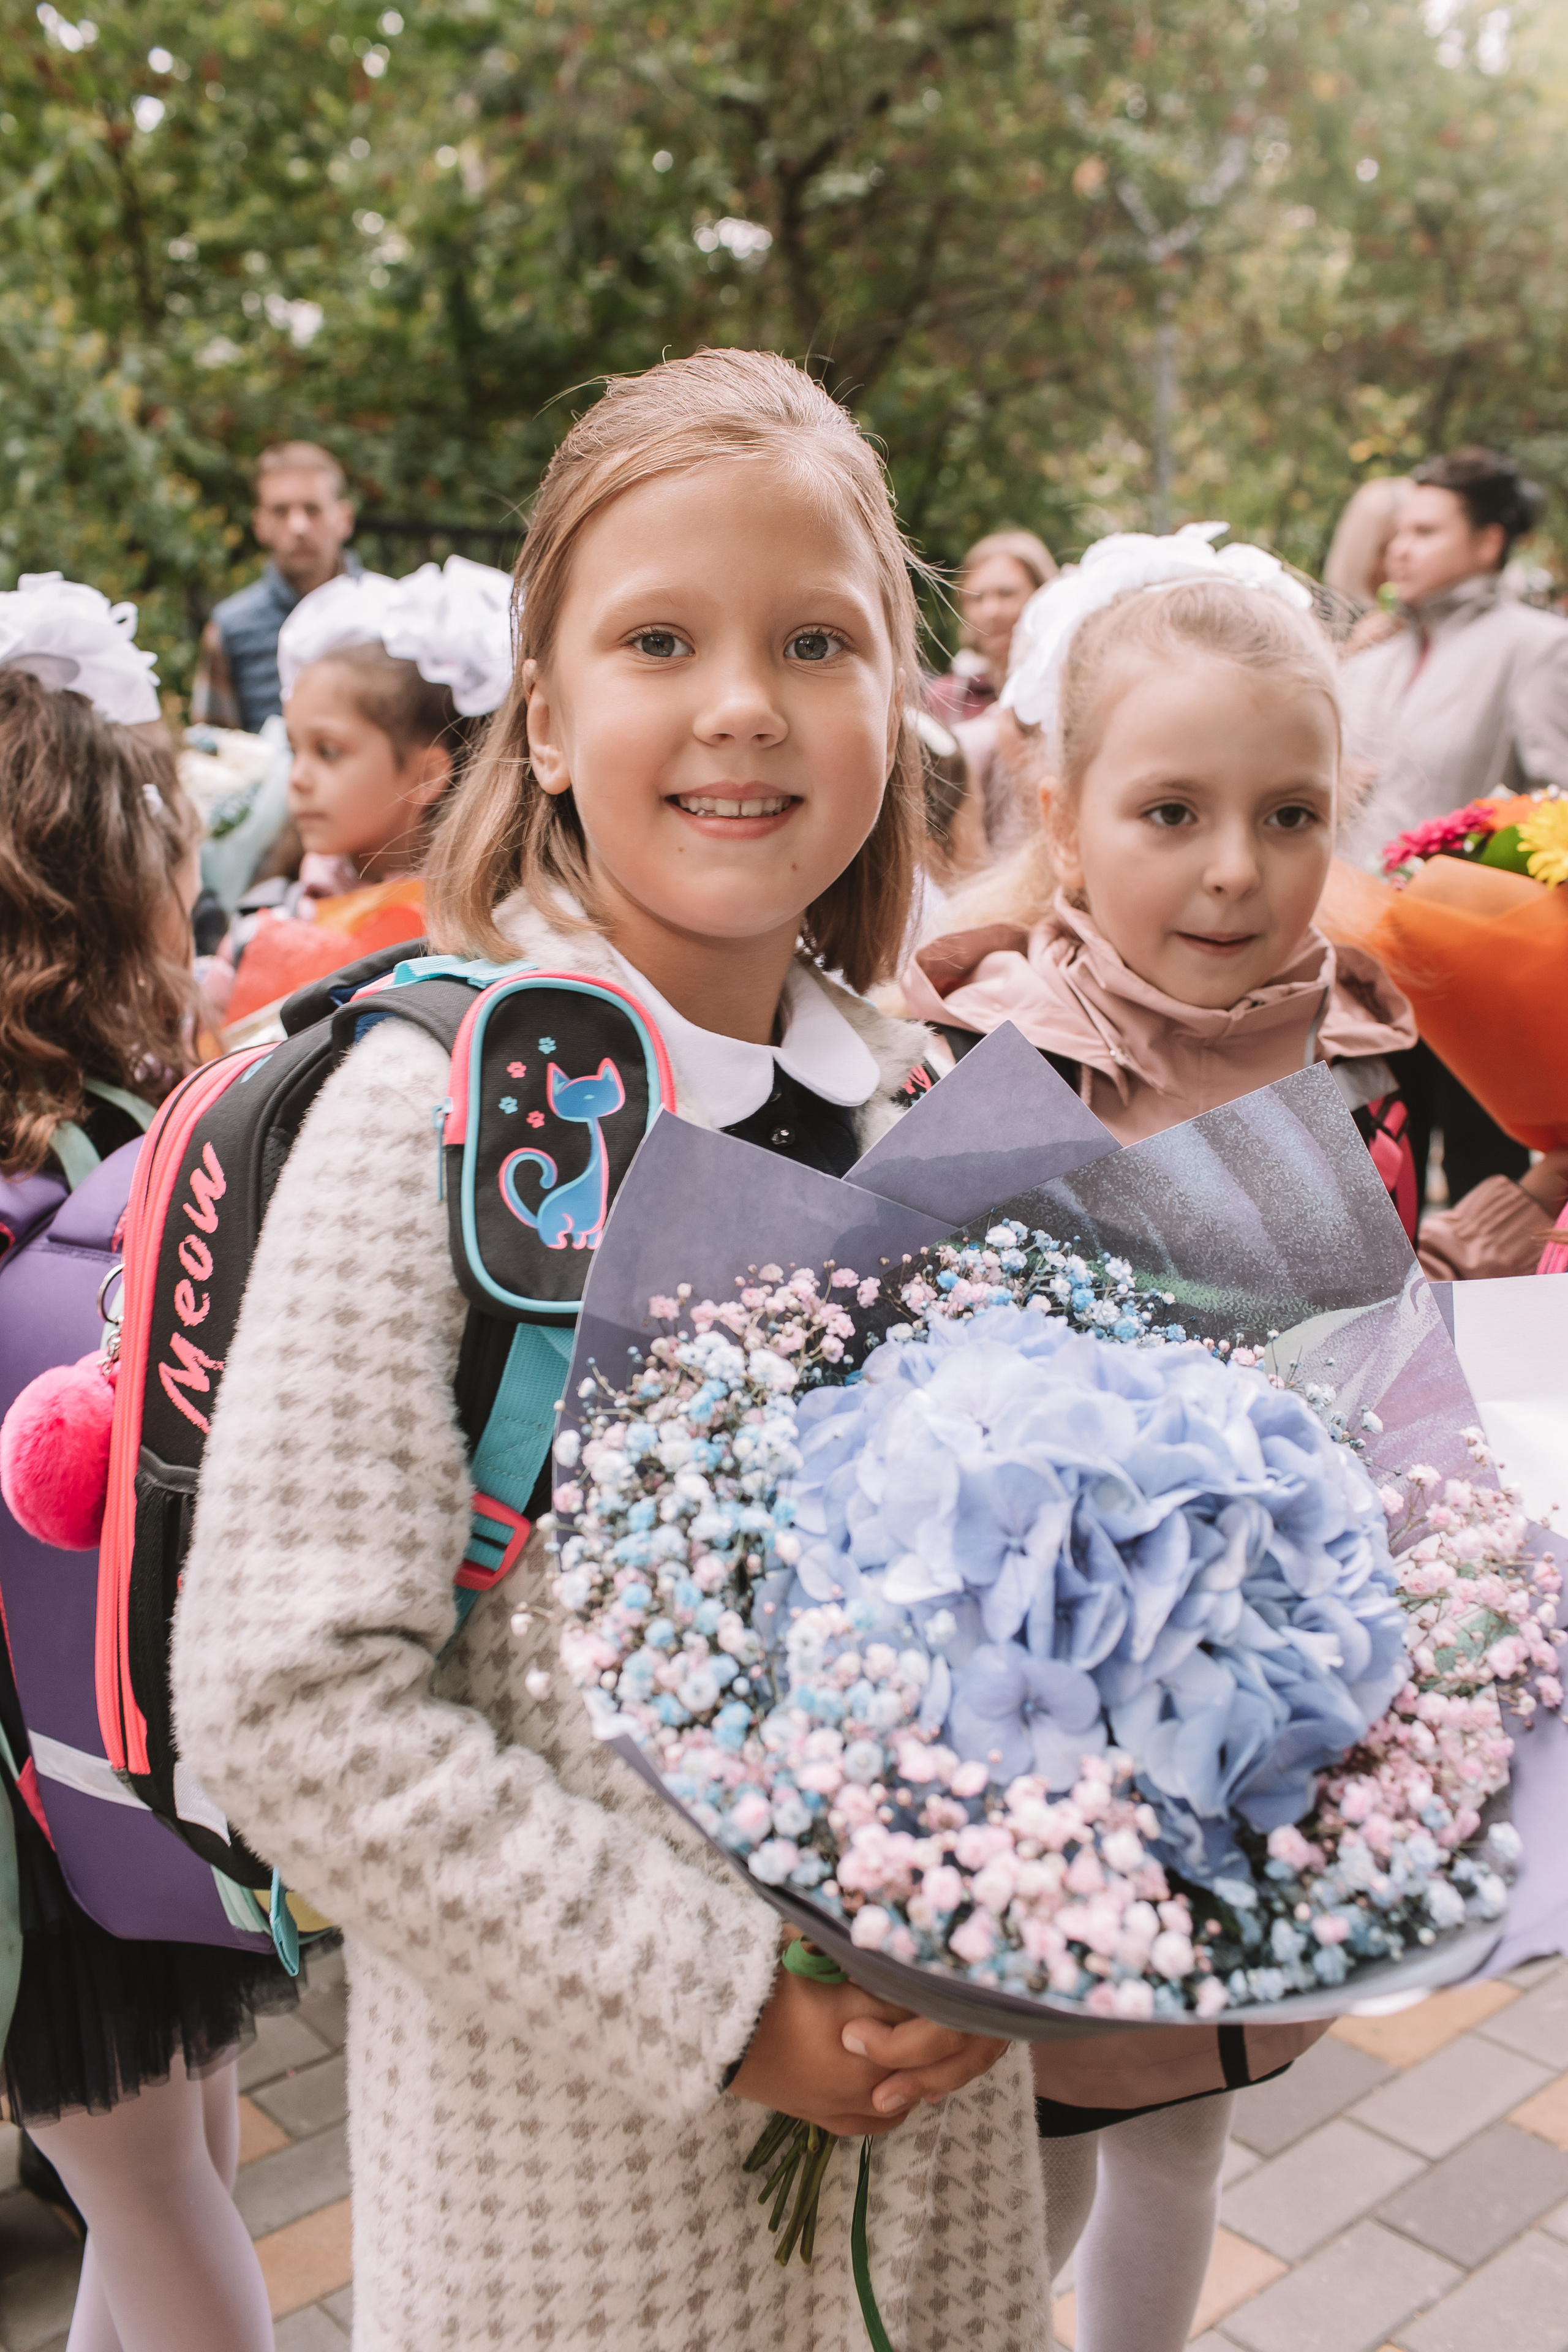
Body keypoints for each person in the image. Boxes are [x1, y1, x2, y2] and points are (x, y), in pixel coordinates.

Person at [170, 350, 1050, 2352]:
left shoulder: (928, 1108)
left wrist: (1051, 1912)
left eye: (818, 639)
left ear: (895, 707)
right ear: (551, 719)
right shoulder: (441, 1120)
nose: (743, 700)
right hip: (582, 2245)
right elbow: (289, 1698)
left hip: (950, 2239)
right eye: (663, 638)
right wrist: (735, 2009)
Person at [901, 526, 1418, 2349]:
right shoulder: (990, 1068)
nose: (1232, 870)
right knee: (1025, 2150)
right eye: (1170, 810)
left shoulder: (1347, 1047)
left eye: (1288, 816)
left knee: (1183, 2126)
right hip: (1038, 1737)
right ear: (1062, 811)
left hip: (1244, 1714)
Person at [0, 580, 305, 2352]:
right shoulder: (175, 1119)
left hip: (37, 1809)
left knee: (139, 2175)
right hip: (165, 1747)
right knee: (185, 2141)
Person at [1336, 449, 1568, 1208]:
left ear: (1488, 542)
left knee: (1483, 1189)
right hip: (1364, 969)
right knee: (1371, 1184)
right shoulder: (1371, 661)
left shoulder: (1537, 647)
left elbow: (1555, 800)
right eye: (1398, 531)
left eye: (1426, 531)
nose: (1400, 547)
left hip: (1478, 974)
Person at [202, 557, 511, 1027]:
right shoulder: (272, 914)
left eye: (328, 752)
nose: (298, 777)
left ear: (427, 775)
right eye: (293, 749)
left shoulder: (488, 928)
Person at [190, 442, 359, 737]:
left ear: (343, 519)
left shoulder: (389, 616)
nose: (298, 526)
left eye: (313, 509)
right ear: (260, 524)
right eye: (281, 511)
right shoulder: (232, 629)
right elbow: (211, 755)